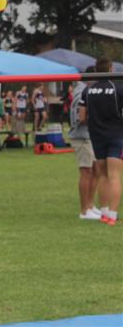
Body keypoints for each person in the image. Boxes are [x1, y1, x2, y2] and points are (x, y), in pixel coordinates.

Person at [80, 58, 123, 226]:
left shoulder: (88, 90)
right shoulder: (118, 88)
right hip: (116, 135)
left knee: (103, 174)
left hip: (97, 136)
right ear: (110, 69)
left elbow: (82, 117)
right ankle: (112, 215)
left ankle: (104, 213)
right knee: (114, 176)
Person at [70, 71, 101, 220]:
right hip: (82, 136)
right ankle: (84, 210)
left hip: (89, 136)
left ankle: (90, 205)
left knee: (95, 170)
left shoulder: (86, 91)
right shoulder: (81, 93)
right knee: (86, 171)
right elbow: (80, 118)